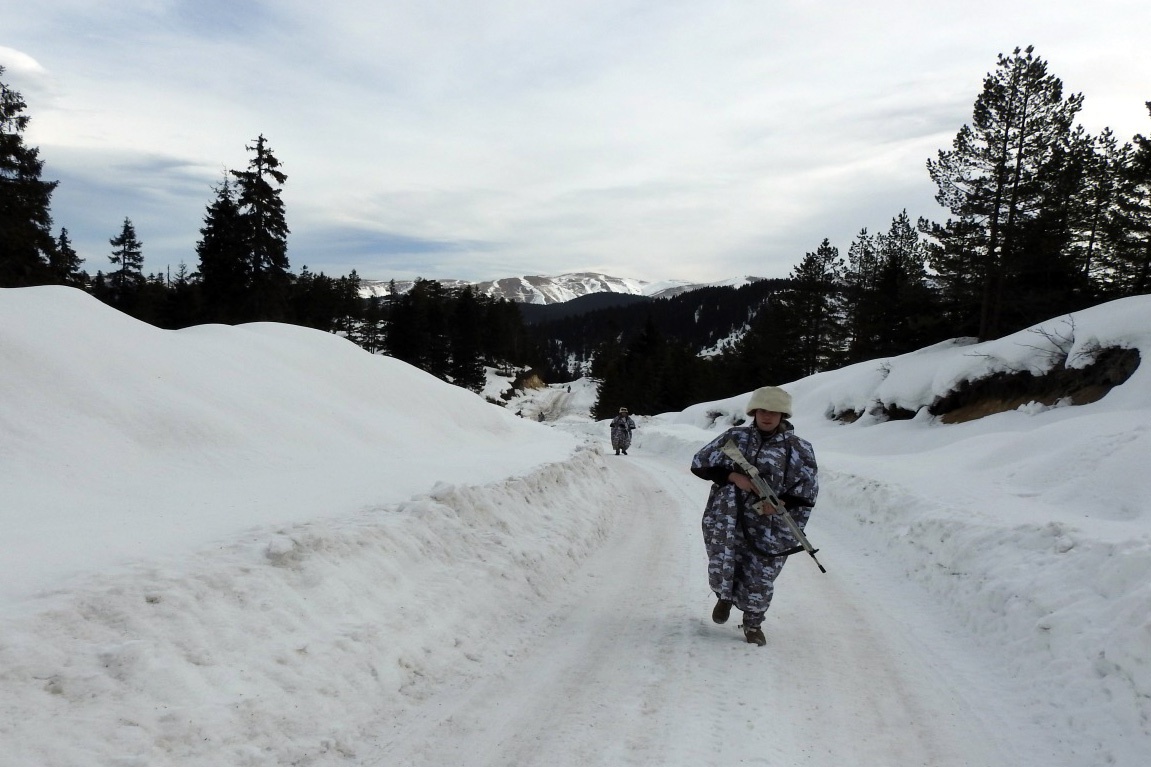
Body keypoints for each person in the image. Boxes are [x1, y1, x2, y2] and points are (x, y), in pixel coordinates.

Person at [690, 386, 818, 646]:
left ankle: (753, 623)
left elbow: (808, 488)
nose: (767, 416)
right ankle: (724, 598)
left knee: (761, 574)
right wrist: (732, 476)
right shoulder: (735, 437)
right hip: (729, 517)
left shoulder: (798, 448)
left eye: (774, 412)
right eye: (762, 411)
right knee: (724, 560)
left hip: (770, 525)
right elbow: (700, 463)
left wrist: (781, 503)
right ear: (754, 412)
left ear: (783, 415)